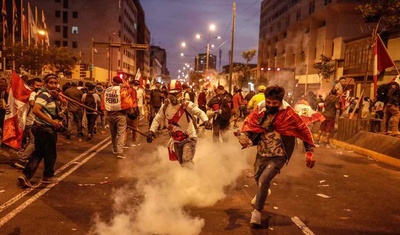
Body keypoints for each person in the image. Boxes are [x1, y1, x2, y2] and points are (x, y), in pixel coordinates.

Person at [236, 85, 316, 226]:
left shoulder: (289, 114)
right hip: (262, 152)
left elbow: (303, 130)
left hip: (279, 154)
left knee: (263, 179)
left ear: (280, 101)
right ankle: (264, 191)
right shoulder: (260, 109)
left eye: (274, 103)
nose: (271, 105)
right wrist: (244, 136)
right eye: (269, 102)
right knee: (258, 178)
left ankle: (257, 212)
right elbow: (251, 124)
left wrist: (309, 151)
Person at [146, 80, 212, 168]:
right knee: (182, 163)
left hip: (189, 138)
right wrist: (151, 131)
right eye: (171, 94)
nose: (174, 97)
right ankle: (188, 178)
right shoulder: (165, 106)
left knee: (187, 162)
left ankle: (190, 181)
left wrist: (206, 120)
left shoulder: (187, 104)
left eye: (176, 94)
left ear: (181, 93)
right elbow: (157, 119)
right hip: (176, 140)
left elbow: (200, 112)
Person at [18, 74, 65, 188]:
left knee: (38, 153)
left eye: (55, 83)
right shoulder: (44, 95)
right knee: (50, 154)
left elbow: (64, 105)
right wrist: (52, 121)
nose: (53, 85)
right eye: (51, 83)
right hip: (45, 129)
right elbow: (36, 110)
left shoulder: (50, 95)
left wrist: (58, 98)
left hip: (42, 128)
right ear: (45, 83)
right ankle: (47, 177)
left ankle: (25, 175)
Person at [102, 76, 137, 159]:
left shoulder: (107, 90)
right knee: (121, 134)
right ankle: (120, 152)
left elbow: (103, 102)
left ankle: (114, 149)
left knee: (113, 134)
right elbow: (129, 98)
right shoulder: (122, 90)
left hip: (110, 115)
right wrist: (128, 86)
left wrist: (105, 113)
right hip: (120, 115)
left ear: (113, 82)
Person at [15, 78, 43, 169]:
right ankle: (22, 160)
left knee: (32, 141)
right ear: (32, 86)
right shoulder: (33, 93)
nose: (39, 87)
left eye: (40, 85)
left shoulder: (37, 93)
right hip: (30, 122)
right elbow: (31, 102)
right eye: (37, 85)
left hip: (31, 121)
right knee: (34, 141)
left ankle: (25, 156)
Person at [0, 78, 9, 146]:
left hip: (4, 112)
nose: (2, 84)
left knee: (4, 127)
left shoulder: (8, 92)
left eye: (3, 83)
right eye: (1, 83)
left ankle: (4, 142)